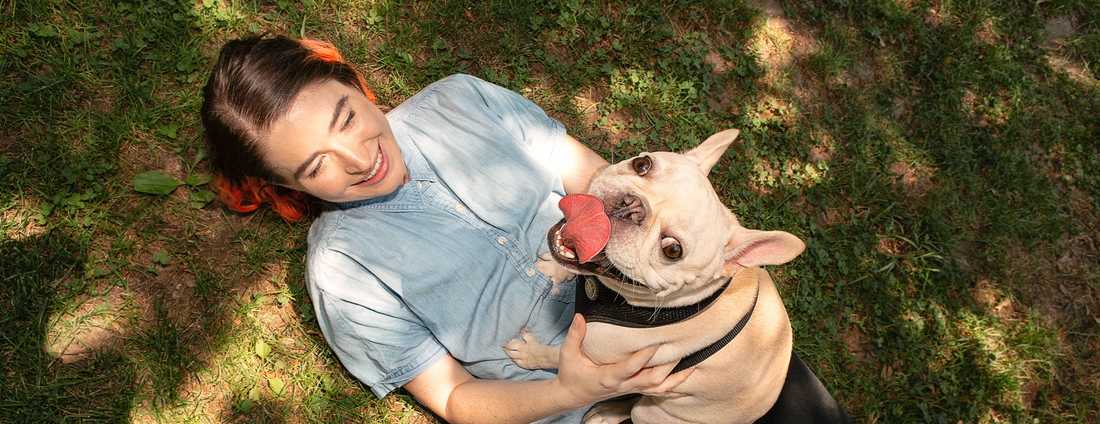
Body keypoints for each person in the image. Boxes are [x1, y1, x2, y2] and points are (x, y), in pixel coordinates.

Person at [200, 35, 692, 423]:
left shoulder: (460, 101)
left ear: (350, 80)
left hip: (668, 319)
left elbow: (595, 183)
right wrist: (571, 391)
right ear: (283, 183)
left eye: (346, 118)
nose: (358, 159)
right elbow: (456, 397)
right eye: (315, 166)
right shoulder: (342, 273)